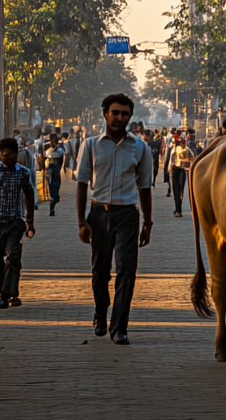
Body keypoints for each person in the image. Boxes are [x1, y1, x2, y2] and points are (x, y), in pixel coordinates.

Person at [75, 93, 153, 345]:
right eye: (116, 112)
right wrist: (81, 222)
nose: (120, 117)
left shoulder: (139, 147)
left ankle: (119, 326)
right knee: (100, 272)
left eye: (125, 113)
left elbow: (144, 188)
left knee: (127, 272)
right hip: (98, 214)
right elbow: (81, 184)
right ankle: (100, 312)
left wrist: (147, 224)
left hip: (127, 215)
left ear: (130, 116)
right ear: (105, 114)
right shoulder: (91, 145)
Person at [0, 137, 35, 309]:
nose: (4, 157)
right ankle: (10, 292)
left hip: (15, 221)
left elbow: (29, 195)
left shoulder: (23, 172)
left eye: (8, 154)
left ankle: (3, 296)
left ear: (16, 154)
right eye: (2, 154)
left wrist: (30, 222)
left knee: (13, 256)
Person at [168, 133, 194, 217]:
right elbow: (171, 161)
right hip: (175, 170)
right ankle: (177, 209)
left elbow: (192, 159)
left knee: (180, 190)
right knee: (176, 190)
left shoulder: (188, 150)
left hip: (183, 170)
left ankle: (178, 209)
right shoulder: (174, 150)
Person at [43, 132, 65, 216]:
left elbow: (61, 157)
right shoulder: (47, 148)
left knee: (55, 191)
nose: (52, 140)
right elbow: (44, 157)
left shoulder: (59, 149)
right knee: (51, 191)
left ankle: (53, 205)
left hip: (56, 172)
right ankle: (51, 209)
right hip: (49, 171)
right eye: (50, 138)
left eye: (53, 138)